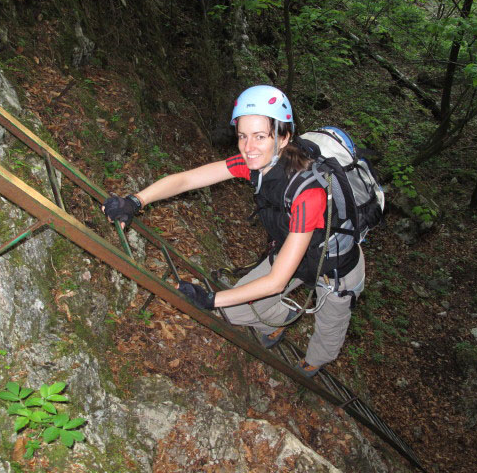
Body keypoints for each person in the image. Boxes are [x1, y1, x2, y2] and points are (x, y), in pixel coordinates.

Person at [103, 85, 365, 377]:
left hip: (334, 267)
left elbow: (277, 282)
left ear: (284, 137)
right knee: (233, 311)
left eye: (260, 136)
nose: (248, 147)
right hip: (290, 251)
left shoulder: (308, 193)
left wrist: (211, 299)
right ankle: (283, 316)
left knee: (330, 324)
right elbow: (188, 179)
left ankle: (315, 360)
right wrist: (136, 200)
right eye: (243, 135)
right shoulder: (255, 165)